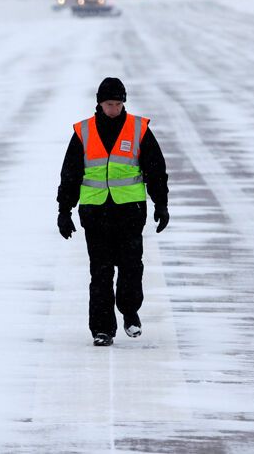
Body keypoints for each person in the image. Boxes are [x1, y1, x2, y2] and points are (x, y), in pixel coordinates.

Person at [57, 77, 169, 347]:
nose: (114, 109)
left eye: (119, 104)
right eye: (109, 104)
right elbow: (70, 174)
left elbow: (156, 170)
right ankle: (102, 329)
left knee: (131, 266)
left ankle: (129, 312)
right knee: (101, 271)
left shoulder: (138, 129)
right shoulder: (83, 132)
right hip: (95, 212)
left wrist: (161, 204)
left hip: (130, 211)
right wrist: (64, 210)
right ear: (99, 103)